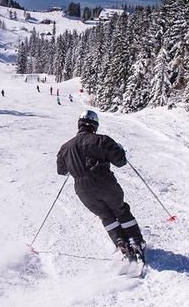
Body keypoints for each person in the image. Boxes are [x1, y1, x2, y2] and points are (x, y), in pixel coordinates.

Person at [56, 110, 145, 262]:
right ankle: (135, 241)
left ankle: (121, 242)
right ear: (95, 125)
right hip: (105, 182)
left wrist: (74, 165)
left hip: (83, 190)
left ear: (79, 125)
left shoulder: (65, 148)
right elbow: (120, 161)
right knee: (120, 210)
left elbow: (61, 171)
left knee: (105, 215)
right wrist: (119, 149)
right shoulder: (101, 140)